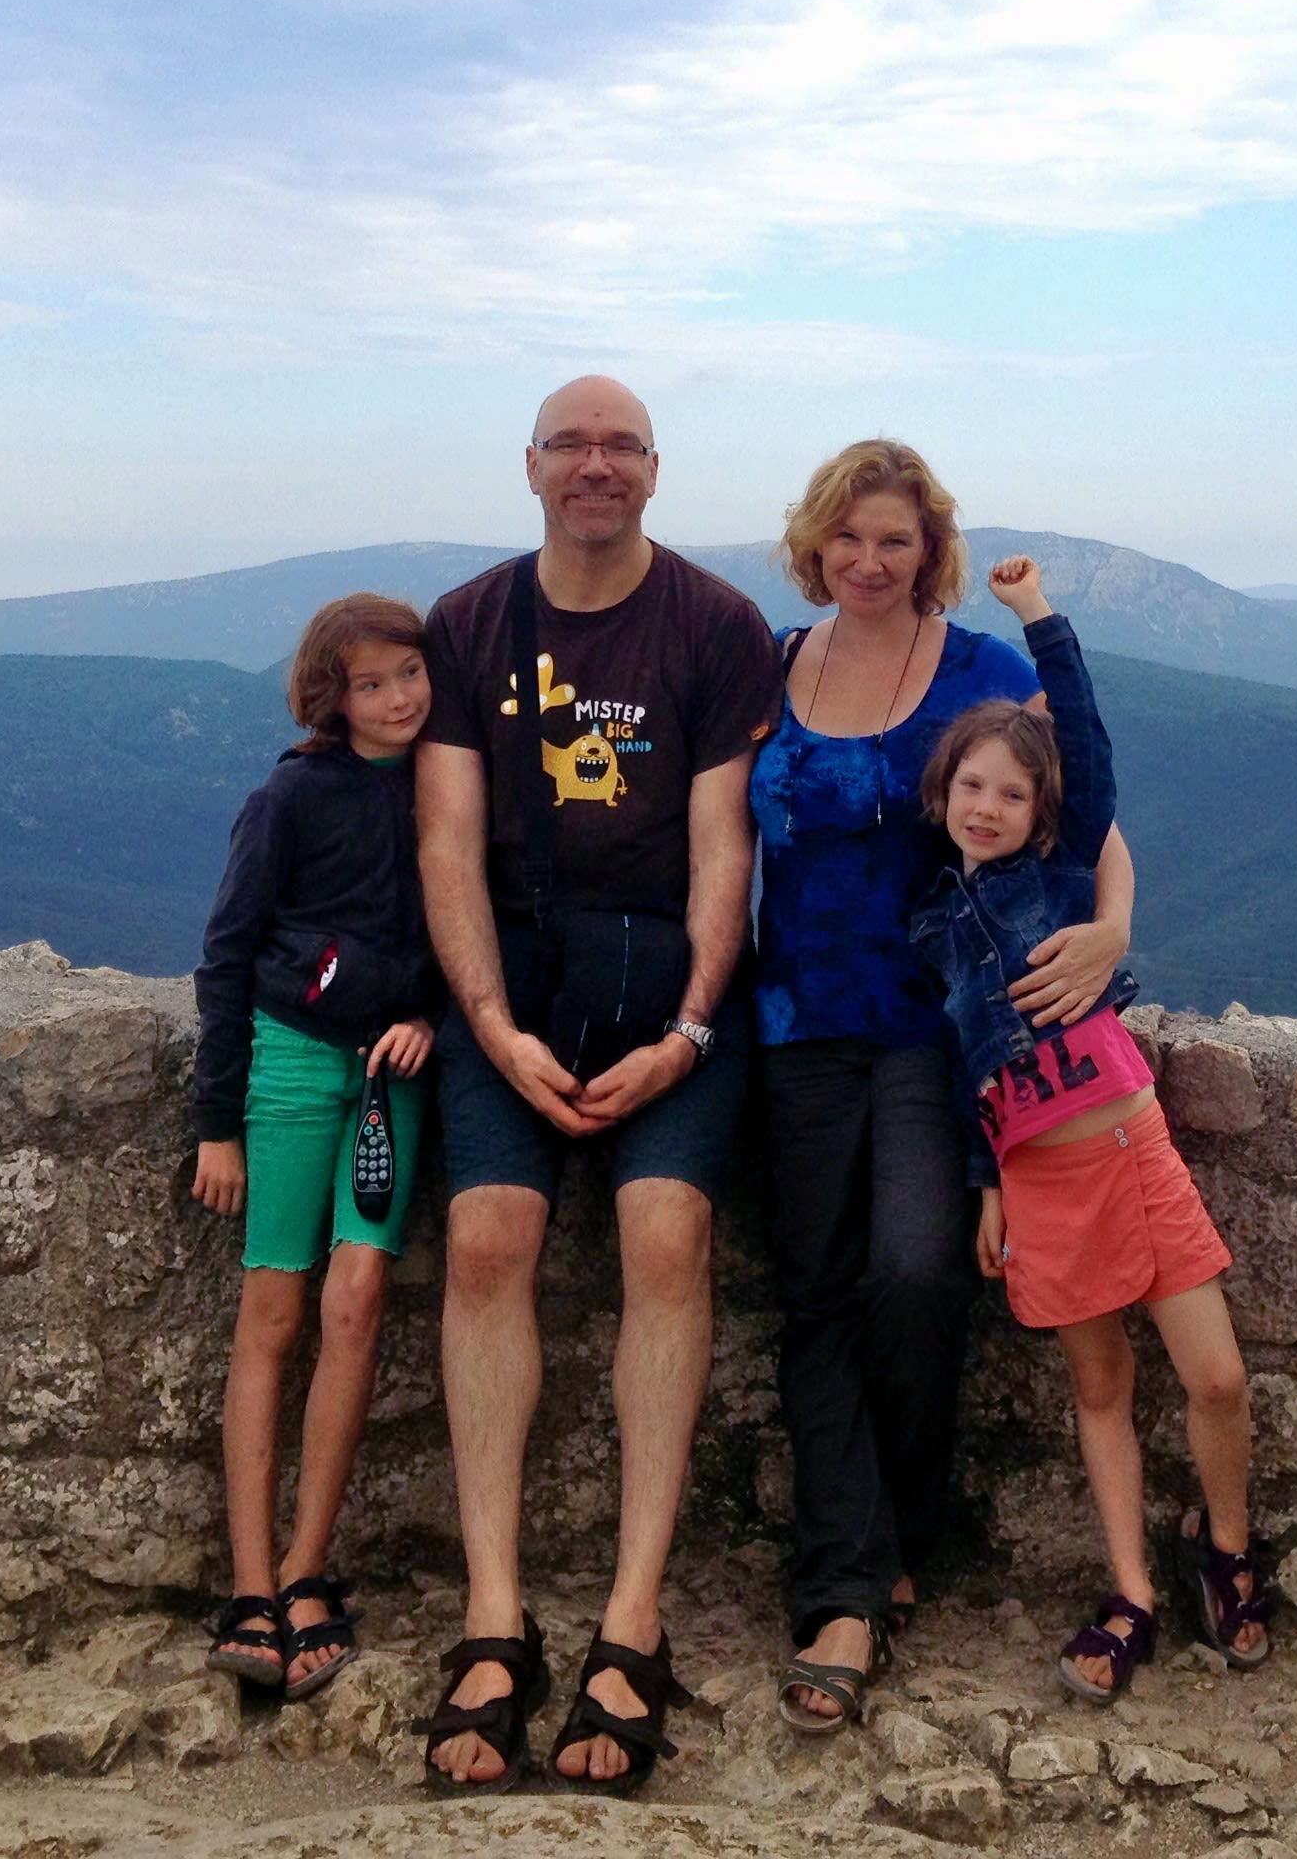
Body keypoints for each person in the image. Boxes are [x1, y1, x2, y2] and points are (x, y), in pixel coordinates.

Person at [411, 375, 780, 1795]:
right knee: (493, 1238)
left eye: (620, 445)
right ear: (529, 468)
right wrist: (492, 1027)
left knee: (665, 1236)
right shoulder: (469, 626)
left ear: (656, 471)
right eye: (571, 444)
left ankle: (635, 1616)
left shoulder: (712, 626)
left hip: (665, 980)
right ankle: (494, 1612)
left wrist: (689, 1026)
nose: (595, 465)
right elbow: (446, 843)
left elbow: (721, 848)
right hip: (511, 969)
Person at [752, 443, 1134, 1733]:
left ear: (932, 554)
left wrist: (1109, 934)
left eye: (896, 541)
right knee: (814, 1296)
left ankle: (901, 1522)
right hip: (795, 1021)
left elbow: (1084, 808)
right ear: (818, 542)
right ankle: (846, 1586)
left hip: (929, 1032)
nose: (869, 559)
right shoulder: (777, 667)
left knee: (917, 1272)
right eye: (849, 537)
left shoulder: (977, 671)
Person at [913, 557, 1272, 1706]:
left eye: (1012, 795)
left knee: (1213, 1379)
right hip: (1043, 1181)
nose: (988, 807)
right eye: (971, 787)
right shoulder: (934, 927)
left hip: (1134, 1154)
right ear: (942, 794)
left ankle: (1228, 1550)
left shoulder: (1063, 881)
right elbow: (970, 1070)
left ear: (1040, 811)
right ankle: (1133, 1594)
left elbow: (1087, 741)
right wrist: (988, 1188)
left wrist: (1036, 617)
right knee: (1101, 1385)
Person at [186, 592, 445, 1702]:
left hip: (397, 1074)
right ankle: (250, 1582)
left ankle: (307, 1571)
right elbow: (229, 951)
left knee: (355, 1302)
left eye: (409, 676)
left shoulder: (454, 784)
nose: (397, 700)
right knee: (275, 1306)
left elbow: (473, 921)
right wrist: (216, 1123)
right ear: (329, 697)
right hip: (292, 1063)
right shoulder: (289, 796)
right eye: (371, 684)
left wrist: (430, 1009)